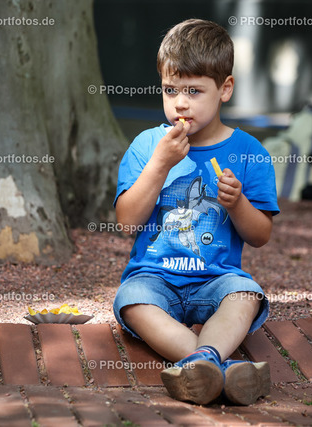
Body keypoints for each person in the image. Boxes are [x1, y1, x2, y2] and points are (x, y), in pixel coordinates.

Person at [112, 19, 279, 406]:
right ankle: (212, 363)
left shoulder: (249, 152)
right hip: (154, 278)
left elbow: (260, 236)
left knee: (246, 295)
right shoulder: (147, 145)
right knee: (131, 300)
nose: (180, 103)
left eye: (194, 91)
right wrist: (159, 164)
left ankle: (201, 364)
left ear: (225, 89)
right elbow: (126, 222)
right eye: (170, 90)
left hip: (216, 279)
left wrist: (237, 204)